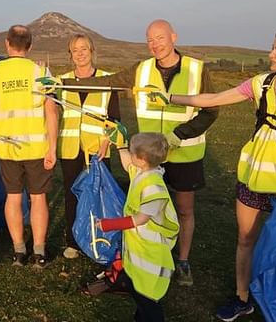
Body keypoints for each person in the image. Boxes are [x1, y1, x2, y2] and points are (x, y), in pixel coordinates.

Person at [162, 26, 276, 321]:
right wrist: (171, 97)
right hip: (252, 179)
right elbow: (215, 99)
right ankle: (242, 298)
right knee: (244, 240)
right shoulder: (261, 83)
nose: (270, 54)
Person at [52, 19, 218, 286]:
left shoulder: (197, 70)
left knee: (184, 210)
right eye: (150, 40)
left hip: (184, 154)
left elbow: (212, 110)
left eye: (160, 38)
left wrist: (178, 135)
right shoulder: (141, 70)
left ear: (173, 36)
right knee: (144, 207)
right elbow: (106, 81)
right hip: (147, 157)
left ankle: (183, 261)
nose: (155, 44)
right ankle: (145, 254)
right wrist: (59, 85)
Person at [0, 25, 59, 268]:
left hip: (6, 147)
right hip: (36, 147)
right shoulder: (40, 70)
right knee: (38, 199)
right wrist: (53, 148)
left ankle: (18, 252)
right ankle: (39, 252)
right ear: (30, 46)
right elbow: (52, 110)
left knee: (13, 198)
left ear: (7, 43)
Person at [96, 132, 179, 322]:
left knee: (147, 297)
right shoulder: (143, 172)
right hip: (139, 249)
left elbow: (140, 219)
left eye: (133, 154)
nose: (130, 158)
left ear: (141, 159)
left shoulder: (154, 187)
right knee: (137, 289)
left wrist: (108, 225)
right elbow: (128, 163)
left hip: (151, 252)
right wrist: (120, 143)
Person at [57, 33, 120, 259]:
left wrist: (107, 140)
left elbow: (115, 118)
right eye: (75, 50)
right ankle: (73, 241)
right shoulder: (61, 81)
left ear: (92, 51)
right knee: (72, 194)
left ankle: (100, 237)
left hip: (98, 150)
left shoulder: (107, 79)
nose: (80, 54)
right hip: (70, 148)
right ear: (70, 55)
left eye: (84, 49)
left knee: (99, 194)